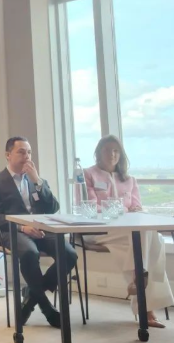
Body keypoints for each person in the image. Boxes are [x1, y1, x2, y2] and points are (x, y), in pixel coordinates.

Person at [0, 137, 78, 328]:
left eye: (29, 152)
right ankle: (47, 308)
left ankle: (32, 294)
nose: (26, 156)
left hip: (41, 229)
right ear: (8, 155)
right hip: (13, 230)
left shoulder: (36, 180)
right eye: (21, 152)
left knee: (69, 254)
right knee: (29, 252)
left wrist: (38, 182)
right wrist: (22, 227)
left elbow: (53, 208)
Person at [83, 134, 174, 328]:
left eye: (116, 150)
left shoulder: (130, 180)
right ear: (98, 153)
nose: (112, 154)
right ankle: (145, 301)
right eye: (107, 150)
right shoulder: (88, 174)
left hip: (127, 232)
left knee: (150, 235)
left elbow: (137, 207)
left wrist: (132, 210)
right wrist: (123, 210)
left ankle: (139, 280)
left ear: (121, 154)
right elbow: (91, 207)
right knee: (151, 239)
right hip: (100, 231)